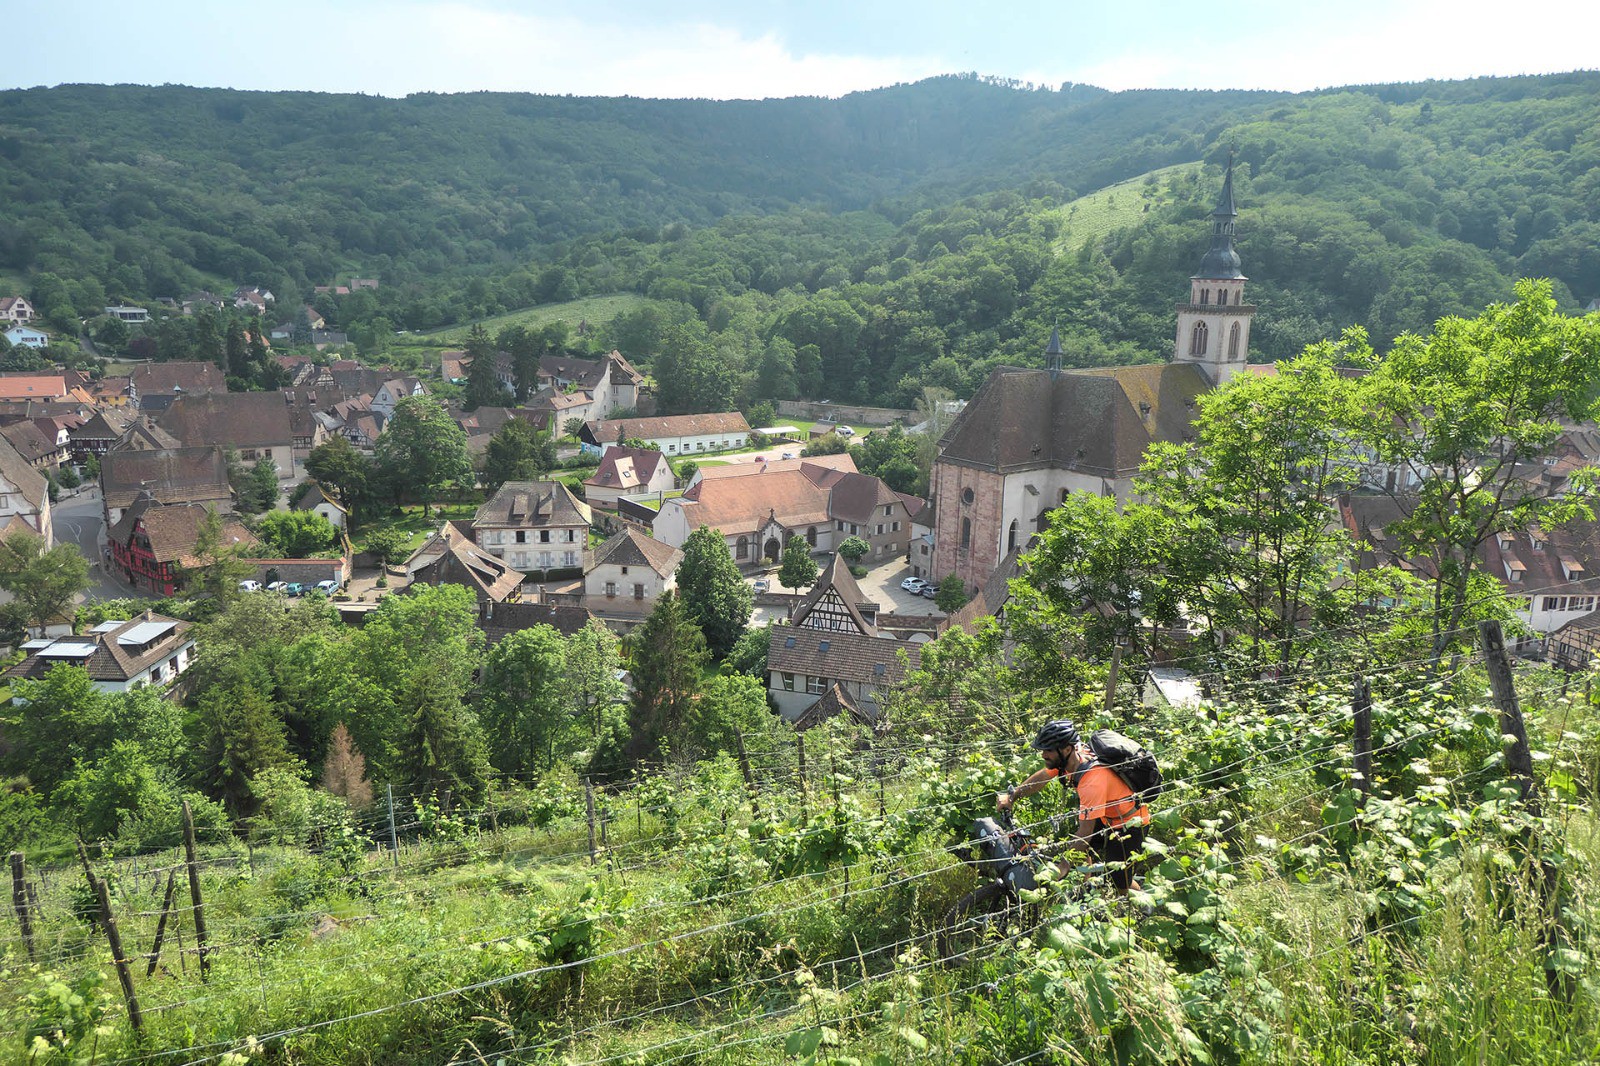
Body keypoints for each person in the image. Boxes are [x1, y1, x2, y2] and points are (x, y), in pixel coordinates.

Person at [996, 719, 1148, 893]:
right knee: (1082, 853)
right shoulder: (1071, 758)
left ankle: (1143, 907)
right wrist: (1012, 796)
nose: (1043, 754)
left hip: (1130, 823)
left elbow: (1084, 834)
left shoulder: (1091, 781)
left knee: (1120, 880)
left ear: (1067, 749)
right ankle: (1086, 891)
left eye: (1049, 750)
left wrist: (1063, 867)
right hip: (1105, 813)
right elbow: (1043, 776)